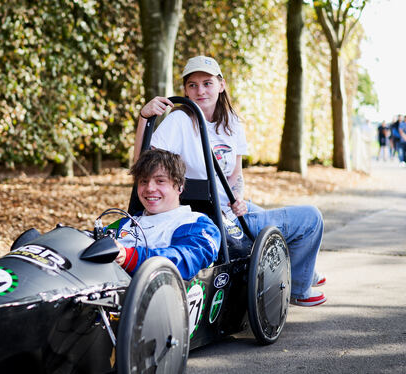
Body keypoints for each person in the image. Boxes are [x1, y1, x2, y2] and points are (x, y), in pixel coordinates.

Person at [134, 56, 326, 306]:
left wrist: (237, 199)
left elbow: (235, 173)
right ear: (185, 90)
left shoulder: (232, 122)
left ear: (221, 85)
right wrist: (143, 118)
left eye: (207, 83)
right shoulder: (179, 120)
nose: (200, 90)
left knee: (266, 214)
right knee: (311, 218)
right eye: (192, 85)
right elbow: (143, 163)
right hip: (207, 211)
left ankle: (306, 272)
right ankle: (300, 289)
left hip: (229, 206)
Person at [112, 149, 221, 280]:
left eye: (160, 181)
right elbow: (93, 240)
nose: (149, 188)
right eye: (143, 181)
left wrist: (129, 257)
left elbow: (186, 259)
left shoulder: (196, 223)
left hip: (162, 295)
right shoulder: (127, 222)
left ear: (179, 186)